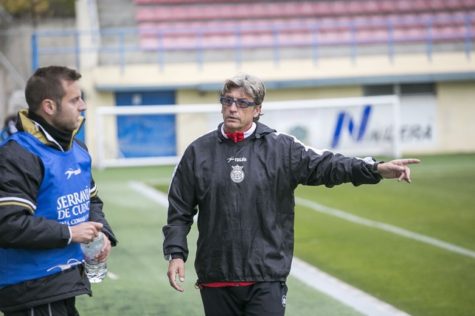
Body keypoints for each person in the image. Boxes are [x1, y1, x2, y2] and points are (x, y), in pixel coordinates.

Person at [162, 73, 420, 316]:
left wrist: (374, 169)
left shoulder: (281, 148)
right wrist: (175, 254)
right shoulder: (198, 152)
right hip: (217, 274)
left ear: (258, 109)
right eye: (227, 101)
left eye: (242, 102)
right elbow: (179, 210)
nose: (232, 108)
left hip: (266, 274)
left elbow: (327, 165)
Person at [0, 66, 117, 315]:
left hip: (65, 281)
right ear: (49, 107)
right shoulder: (17, 155)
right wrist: (70, 232)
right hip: (30, 287)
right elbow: (8, 225)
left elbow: (92, 201)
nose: (83, 105)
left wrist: (102, 233)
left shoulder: (77, 148)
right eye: (74, 100)